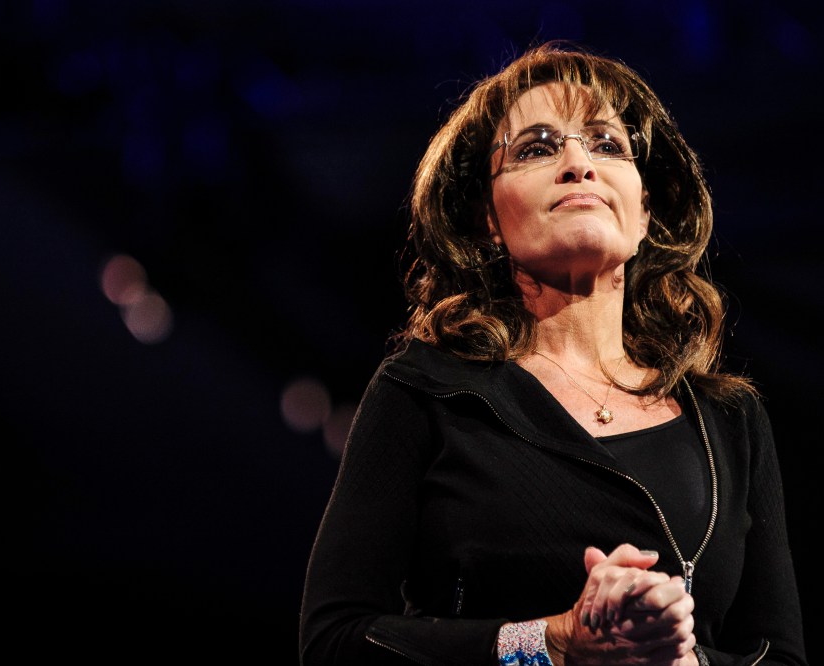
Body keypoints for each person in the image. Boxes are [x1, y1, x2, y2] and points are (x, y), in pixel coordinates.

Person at [298, 40, 806, 666]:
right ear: (488, 217)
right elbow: (335, 641)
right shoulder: (427, 390)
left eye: (608, 145)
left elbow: (778, 657)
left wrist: (681, 660)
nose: (578, 164)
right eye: (537, 148)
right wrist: (553, 642)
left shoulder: (730, 420)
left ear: (645, 210)